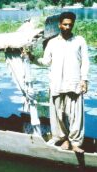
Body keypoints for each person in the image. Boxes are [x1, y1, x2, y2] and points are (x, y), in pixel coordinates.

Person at [38, 12, 90, 153]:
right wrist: (31, 58)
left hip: (74, 83)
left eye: (70, 25)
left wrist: (84, 79)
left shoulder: (79, 40)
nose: (68, 27)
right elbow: (46, 61)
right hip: (57, 83)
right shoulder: (52, 42)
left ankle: (75, 143)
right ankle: (65, 140)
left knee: (75, 115)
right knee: (59, 115)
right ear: (59, 25)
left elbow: (85, 62)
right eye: (65, 24)